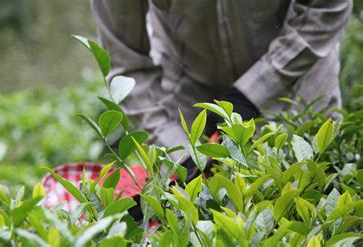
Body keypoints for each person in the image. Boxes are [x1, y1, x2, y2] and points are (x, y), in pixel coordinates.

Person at [90, 0, 353, 180]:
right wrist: (177, 150)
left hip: (297, 81)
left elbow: (326, 8)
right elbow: (127, 63)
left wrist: (255, 91)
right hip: (188, 93)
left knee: (311, 197)